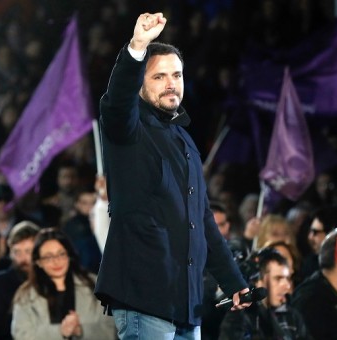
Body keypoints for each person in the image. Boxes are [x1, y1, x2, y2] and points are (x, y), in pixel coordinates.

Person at [95, 12, 249, 338]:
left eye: (176, 75)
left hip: (187, 307)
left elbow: (203, 219)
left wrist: (232, 280)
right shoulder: (129, 130)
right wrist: (137, 46)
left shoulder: (186, 142)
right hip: (144, 301)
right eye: (158, 76)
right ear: (140, 83)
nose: (170, 83)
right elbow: (117, 102)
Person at [11, 228, 115, 339]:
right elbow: (21, 334)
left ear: (69, 256)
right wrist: (60, 332)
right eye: (49, 257)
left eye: (61, 254)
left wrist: (81, 331)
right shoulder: (26, 295)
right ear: (39, 262)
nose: (56, 261)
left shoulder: (94, 285)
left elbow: (111, 330)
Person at [219, 248, 310, 339]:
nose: (287, 286)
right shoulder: (241, 319)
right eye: (278, 279)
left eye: (287, 278)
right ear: (258, 281)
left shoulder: (292, 317)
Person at [0, 221, 41, 340]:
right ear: (10, 252)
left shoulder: (51, 279)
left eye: (28, 252)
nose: (22, 259)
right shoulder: (0, 283)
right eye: (17, 252)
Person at [301, 205, 337, 279]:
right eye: (310, 231)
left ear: (332, 234)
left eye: (315, 232)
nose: (310, 237)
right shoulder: (310, 265)